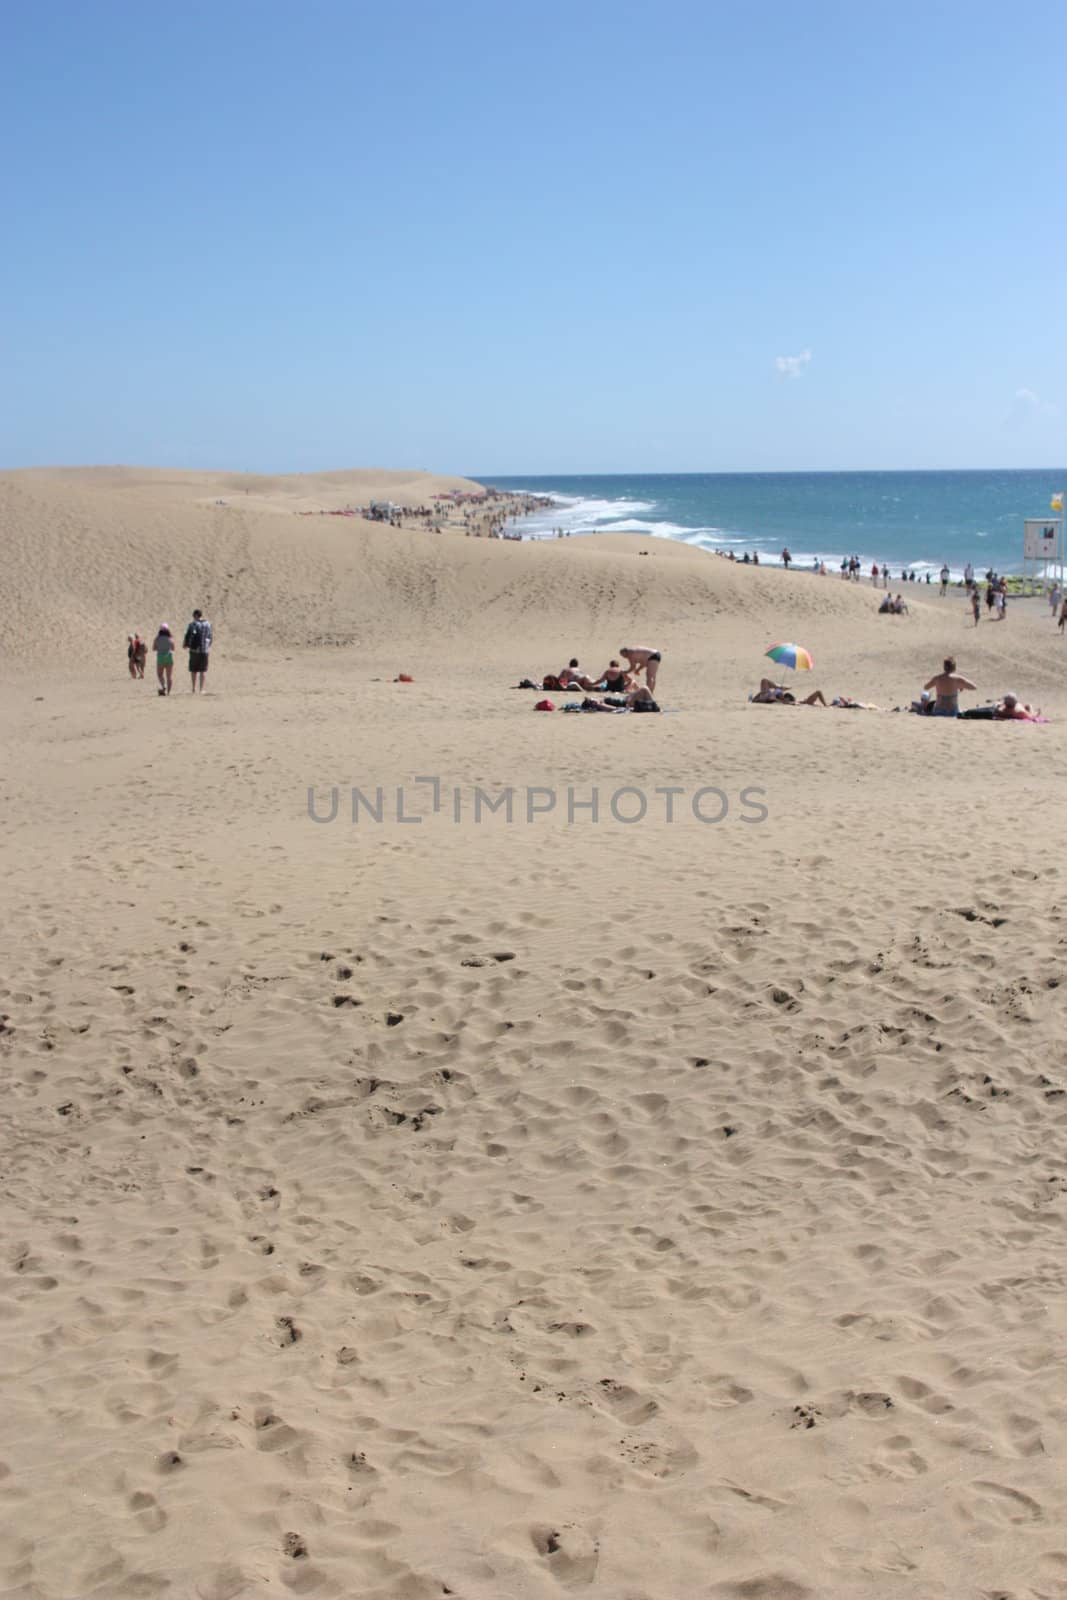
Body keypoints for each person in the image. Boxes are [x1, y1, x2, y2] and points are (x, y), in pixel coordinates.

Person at [183, 608, 213, 692]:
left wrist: (186, 645)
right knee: (203, 670)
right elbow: (210, 637)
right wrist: (207, 646)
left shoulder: (193, 624)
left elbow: (187, 635)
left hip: (194, 650)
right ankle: (201, 689)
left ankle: (193, 688)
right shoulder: (208, 624)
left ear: (195, 615)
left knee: (193, 670)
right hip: (205, 650)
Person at [153, 624, 175, 696]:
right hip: (169, 656)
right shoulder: (170, 638)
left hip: (160, 657)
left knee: (160, 674)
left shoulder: (157, 638)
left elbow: (154, 648)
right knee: (169, 676)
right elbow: (173, 648)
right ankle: (169, 692)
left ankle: (163, 685)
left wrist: (159, 648)